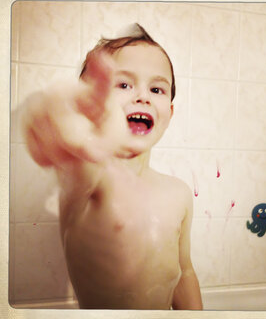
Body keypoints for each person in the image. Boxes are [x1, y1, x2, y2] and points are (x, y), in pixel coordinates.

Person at [21, 23, 203, 310]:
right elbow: (77, 166)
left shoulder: (179, 193)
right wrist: (58, 122)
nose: (142, 96)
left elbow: (184, 273)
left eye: (156, 88)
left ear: (169, 111)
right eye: (123, 85)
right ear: (92, 105)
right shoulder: (89, 184)